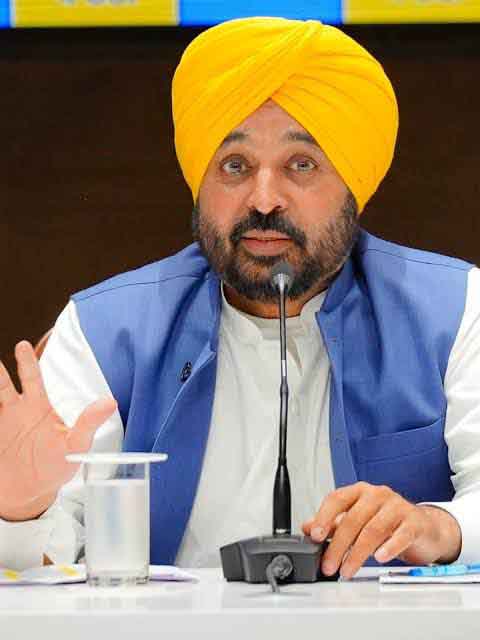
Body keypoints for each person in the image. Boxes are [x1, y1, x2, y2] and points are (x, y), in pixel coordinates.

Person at [1, 16, 479, 579]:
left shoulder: (453, 309)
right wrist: (21, 511)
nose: (264, 198)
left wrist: (438, 526)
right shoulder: (104, 331)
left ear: (353, 185)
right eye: (235, 166)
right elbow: (48, 563)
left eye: (301, 165)